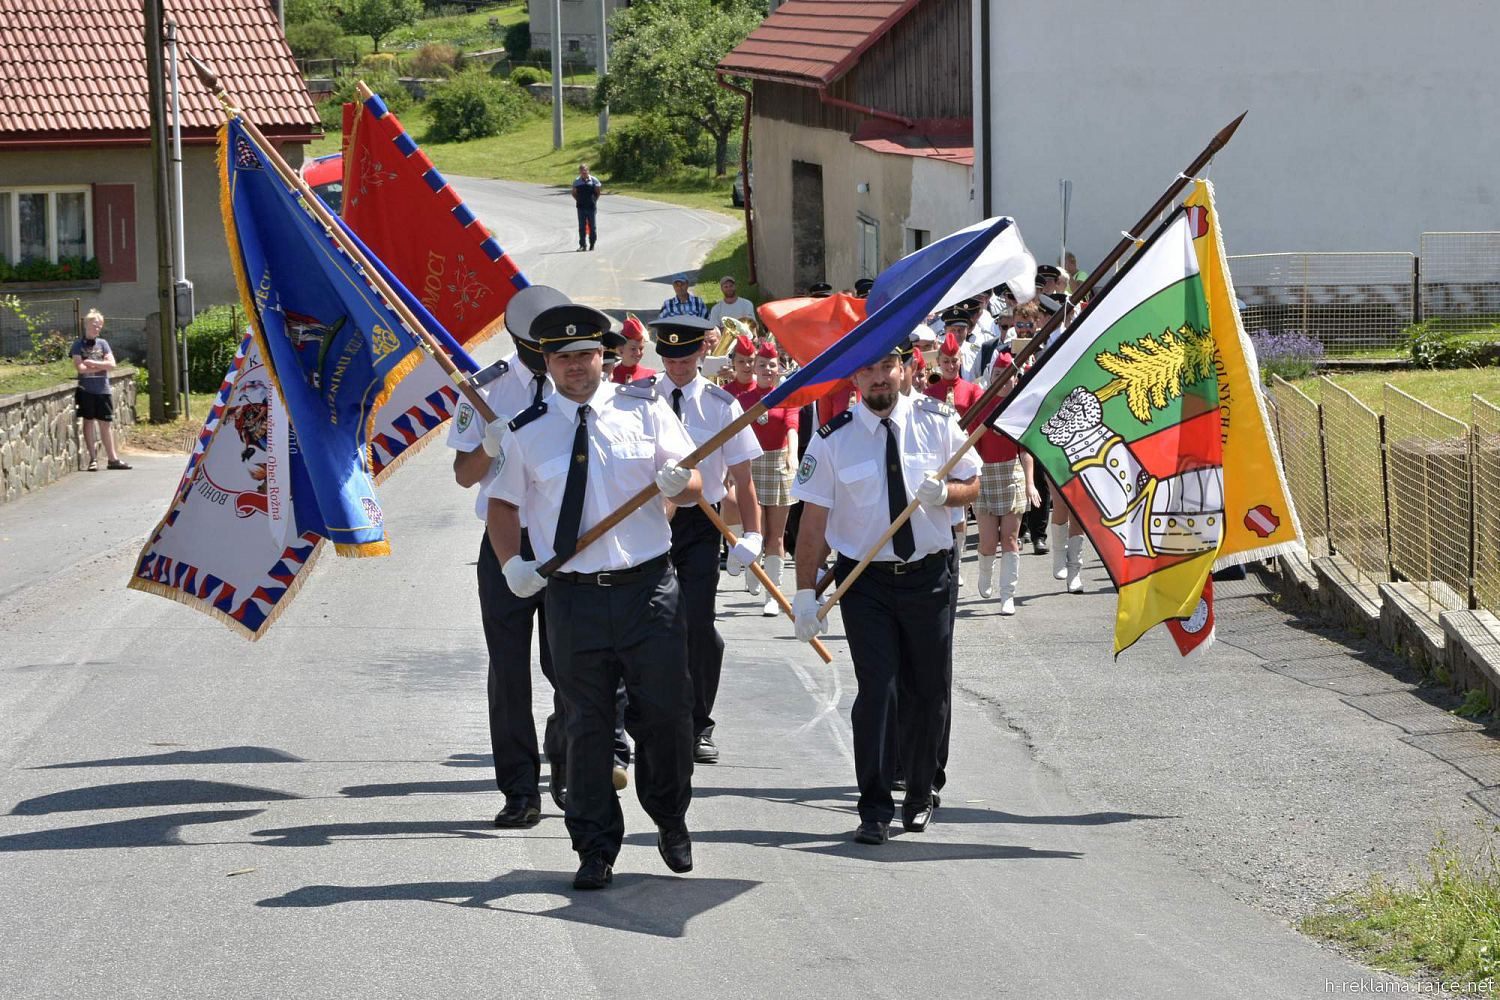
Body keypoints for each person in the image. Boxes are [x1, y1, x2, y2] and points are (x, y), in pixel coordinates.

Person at [485, 300, 703, 891]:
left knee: (665, 713)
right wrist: (512, 566)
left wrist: (682, 483)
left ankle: (669, 815)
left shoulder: (645, 412)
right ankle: (594, 844)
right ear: (547, 363)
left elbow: (694, 484)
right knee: (585, 722)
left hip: (648, 589)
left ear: (603, 357)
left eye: (585, 354)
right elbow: (502, 505)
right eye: (563, 357)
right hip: (573, 597)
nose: (577, 366)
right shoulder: (525, 433)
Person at [451, 286, 631, 828]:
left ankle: (571, 757)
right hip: (508, 542)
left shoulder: (586, 380)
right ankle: (518, 789)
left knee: (573, 663)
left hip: (566, 541)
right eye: (538, 353)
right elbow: (464, 476)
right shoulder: (486, 388)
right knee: (509, 669)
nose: (550, 362)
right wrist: (490, 443)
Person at [790, 341, 980, 845]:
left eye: (887, 366)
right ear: (854, 380)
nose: (879, 377)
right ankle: (873, 806)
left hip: (929, 575)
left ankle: (920, 794)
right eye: (868, 369)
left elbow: (973, 482)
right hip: (865, 580)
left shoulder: (938, 422)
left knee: (928, 689)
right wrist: (804, 594)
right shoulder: (832, 439)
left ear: (905, 370)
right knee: (878, 691)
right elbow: (812, 523)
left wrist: (949, 495)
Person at [651, 314, 763, 765]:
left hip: (702, 522)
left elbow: (743, 475)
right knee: (647, 625)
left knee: (698, 624)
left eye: (685, 355)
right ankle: (649, 721)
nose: (677, 364)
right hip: (649, 521)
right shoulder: (639, 399)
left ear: (701, 352)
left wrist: (752, 534)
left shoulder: (721, 406)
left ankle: (698, 724)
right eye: (669, 355)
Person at [735, 341, 800, 615]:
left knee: (777, 535)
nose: (766, 370)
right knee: (756, 532)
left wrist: (792, 456)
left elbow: (792, 426)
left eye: (772, 365)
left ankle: (772, 594)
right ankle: (754, 570)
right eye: (761, 365)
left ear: (779, 368)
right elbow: (736, 433)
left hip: (778, 463)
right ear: (754, 368)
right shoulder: (743, 398)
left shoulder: (787, 395)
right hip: (752, 464)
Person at [69, 309, 130, 471]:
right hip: (86, 390)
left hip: (103, 389)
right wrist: (99, 366)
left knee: (105, 424)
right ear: (86, 324)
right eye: (95, 324)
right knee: (88, 422)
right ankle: (93, 459)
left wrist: (91, 362)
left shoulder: (103, 344)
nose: (97, 328)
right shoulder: (77, 345)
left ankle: (113, 459)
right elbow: (80, 368)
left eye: (100, 325)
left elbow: (112, 365)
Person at [610, 315, 656, 385]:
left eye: (641, 348)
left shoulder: (650, 375)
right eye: (633, 348)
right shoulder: (610, 374)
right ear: (620, 350)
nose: (638, 353)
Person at [571, 163, 601, 252]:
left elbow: (598, 192)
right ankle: (582, 245)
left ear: (588, 171)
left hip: (591, 207)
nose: (584, 173)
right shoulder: (576, 181)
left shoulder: (594, 180)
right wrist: (579, 200)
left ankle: (592, 244)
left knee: (592, 226)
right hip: (581, 207)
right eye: (582, 171)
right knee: (581, 227)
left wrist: (594, 201)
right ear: (580, 172)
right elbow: (574, 193)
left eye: (585, 171)